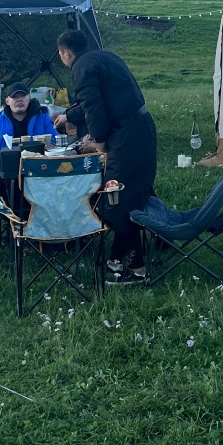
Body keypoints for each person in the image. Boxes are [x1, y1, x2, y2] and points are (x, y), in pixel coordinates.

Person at [57, 29, 156, 283]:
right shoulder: (105, 57)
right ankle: (116, 259)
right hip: (142, 129)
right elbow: (97, 101)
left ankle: (137, 269)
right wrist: (68, 116)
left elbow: (94, 109)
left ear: (65, 53)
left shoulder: (81, 68)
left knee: (115, 199)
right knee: (131, 195)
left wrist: (97, 142)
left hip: (127, 138)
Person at [0, 85, 58, 155]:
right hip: (6, 161)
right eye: (15, 97)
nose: (19, 99)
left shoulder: (43, 118)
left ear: (29, 98)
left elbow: (55, 143)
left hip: (38, 160)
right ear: (7, 101)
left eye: (23, 96)